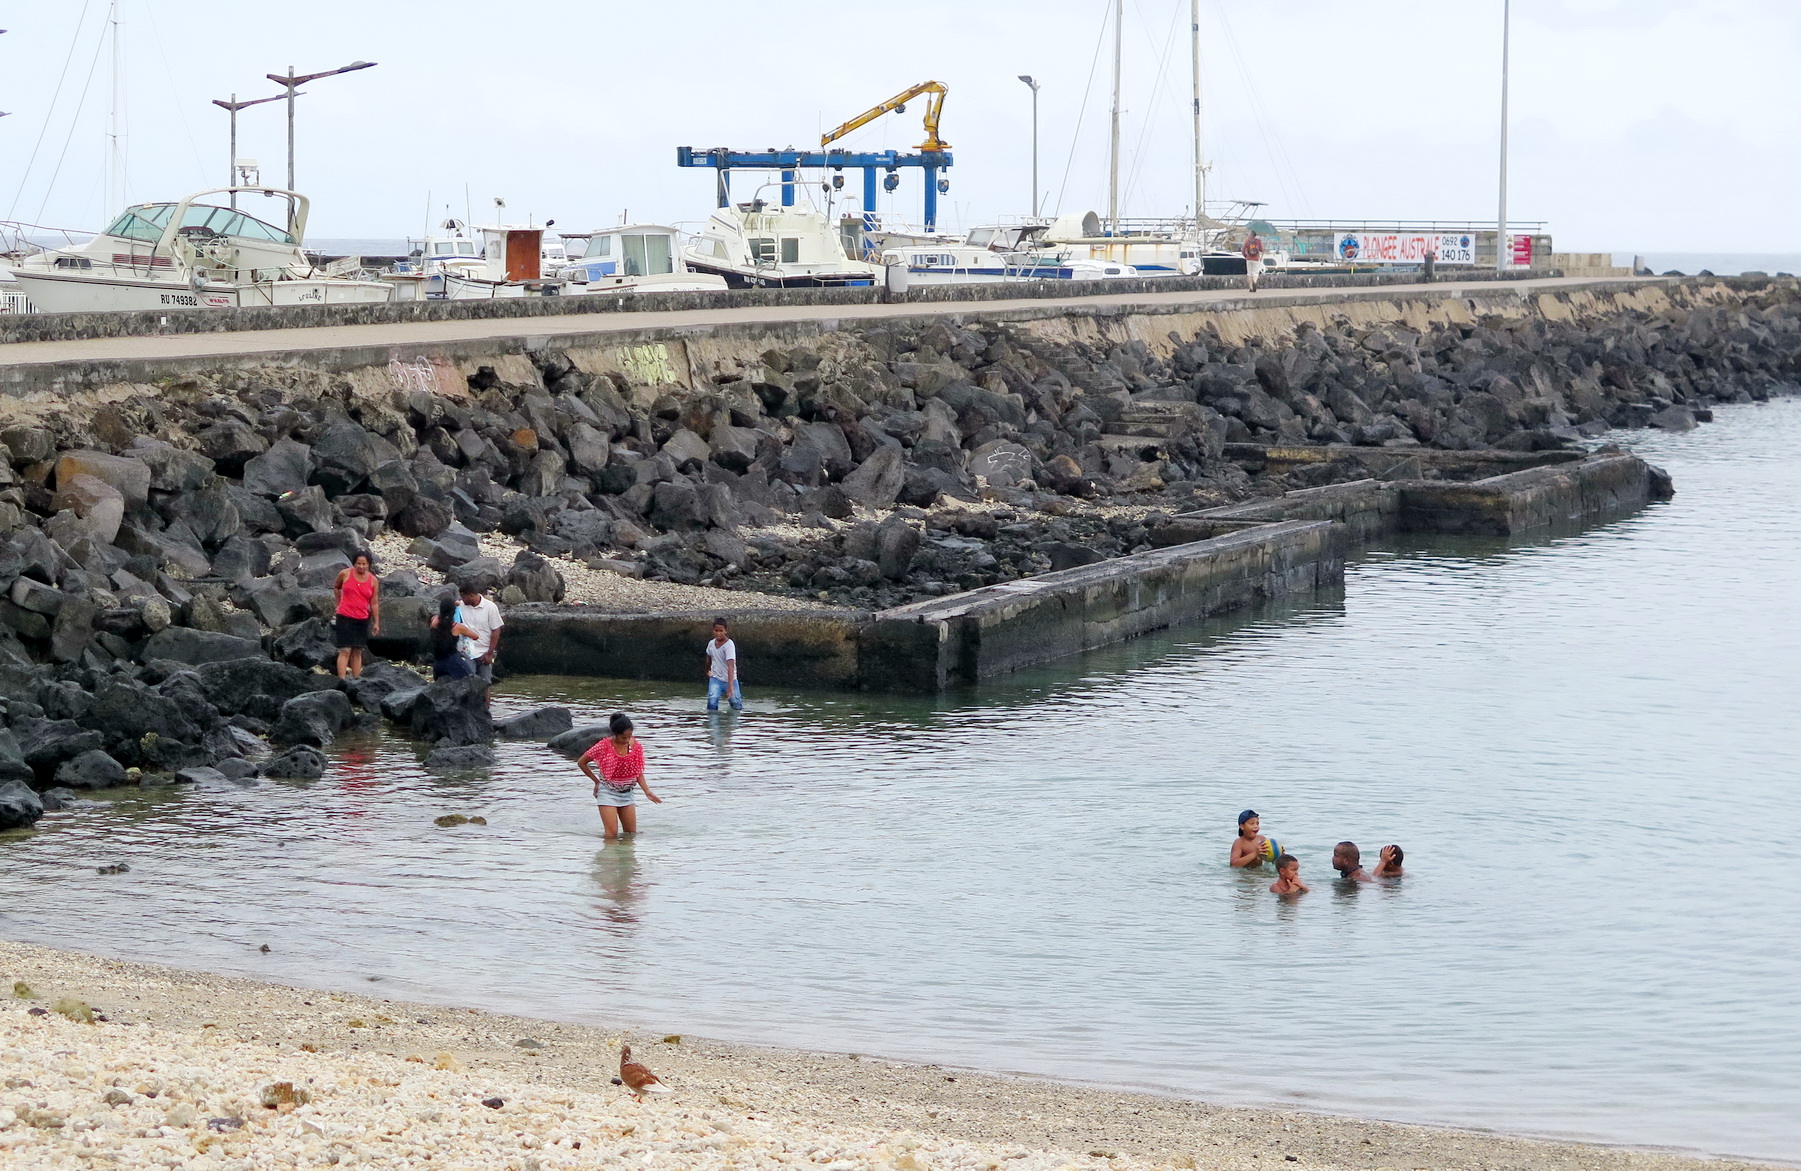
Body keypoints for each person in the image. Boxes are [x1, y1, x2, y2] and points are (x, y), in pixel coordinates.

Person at [576, 712, 662, 840]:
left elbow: (637, 771)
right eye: (623, 737)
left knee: (630, 836)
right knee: (611, 836)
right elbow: (581, 762)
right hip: (608, 792)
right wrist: (596, 782)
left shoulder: (635, 746)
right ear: (615, 734)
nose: (627, 740)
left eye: (629, 736)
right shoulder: (603, 746)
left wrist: (647, 791)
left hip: (627, 793)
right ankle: (608, 859)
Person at [333, 552, 381, 679]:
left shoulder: (373, 580)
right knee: (345, 650)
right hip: (344, 616)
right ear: (354, 563)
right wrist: (338, 603)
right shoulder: (345, 573)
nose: (361, 566)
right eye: (358, 563)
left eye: (364, 564)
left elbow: (374, 602)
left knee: (357, 651)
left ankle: (356, 680)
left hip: (362, 618)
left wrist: (376, 622)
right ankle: (341, 680)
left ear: (369, 564)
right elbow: (337, 587)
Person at [456, 585, 504, 700]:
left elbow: (496, 630)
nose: (462, 599)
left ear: (471, 595)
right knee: (468, 681)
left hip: (484, 651)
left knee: (486, 683)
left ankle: (486, 711)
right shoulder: (460, 606)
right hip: (467, 652)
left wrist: (490, 653)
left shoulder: (490, 608)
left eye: (464, 597)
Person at [427, 597, 478, 680]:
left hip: (437, 663)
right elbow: (476, 636)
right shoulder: (456, 627)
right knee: (472, 681)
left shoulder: (434, 620)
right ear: (453, 611)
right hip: (453, 661)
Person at [705, 617, 742, 712]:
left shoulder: (729, 645)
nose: (718, 633)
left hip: (730, 679)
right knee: (712, 703)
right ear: (713, 630)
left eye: (721, 631)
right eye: (716, 630)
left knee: (736, 705)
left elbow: (731, 666)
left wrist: (730, 686)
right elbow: (708, 658)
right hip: (715, 678)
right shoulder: (711, 644)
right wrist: (707, 671)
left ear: (726, 630)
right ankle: (713, 725)